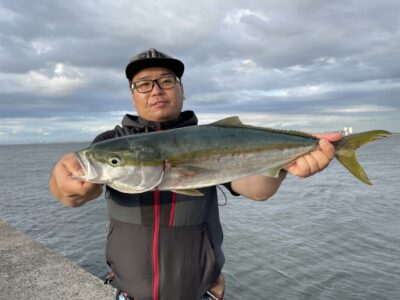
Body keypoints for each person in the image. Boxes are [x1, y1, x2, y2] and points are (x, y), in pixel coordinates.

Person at [49, 48, 341, 300]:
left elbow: (256, 189)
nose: (156, 90)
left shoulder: (214, 137)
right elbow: (70, 193)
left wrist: (284, 164)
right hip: (131, 294)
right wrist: (69, 186)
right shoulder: (110, 143)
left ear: (182, 88)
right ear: (132, 94)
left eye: (166, 81)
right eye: (144, 84)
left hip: (203, 293)